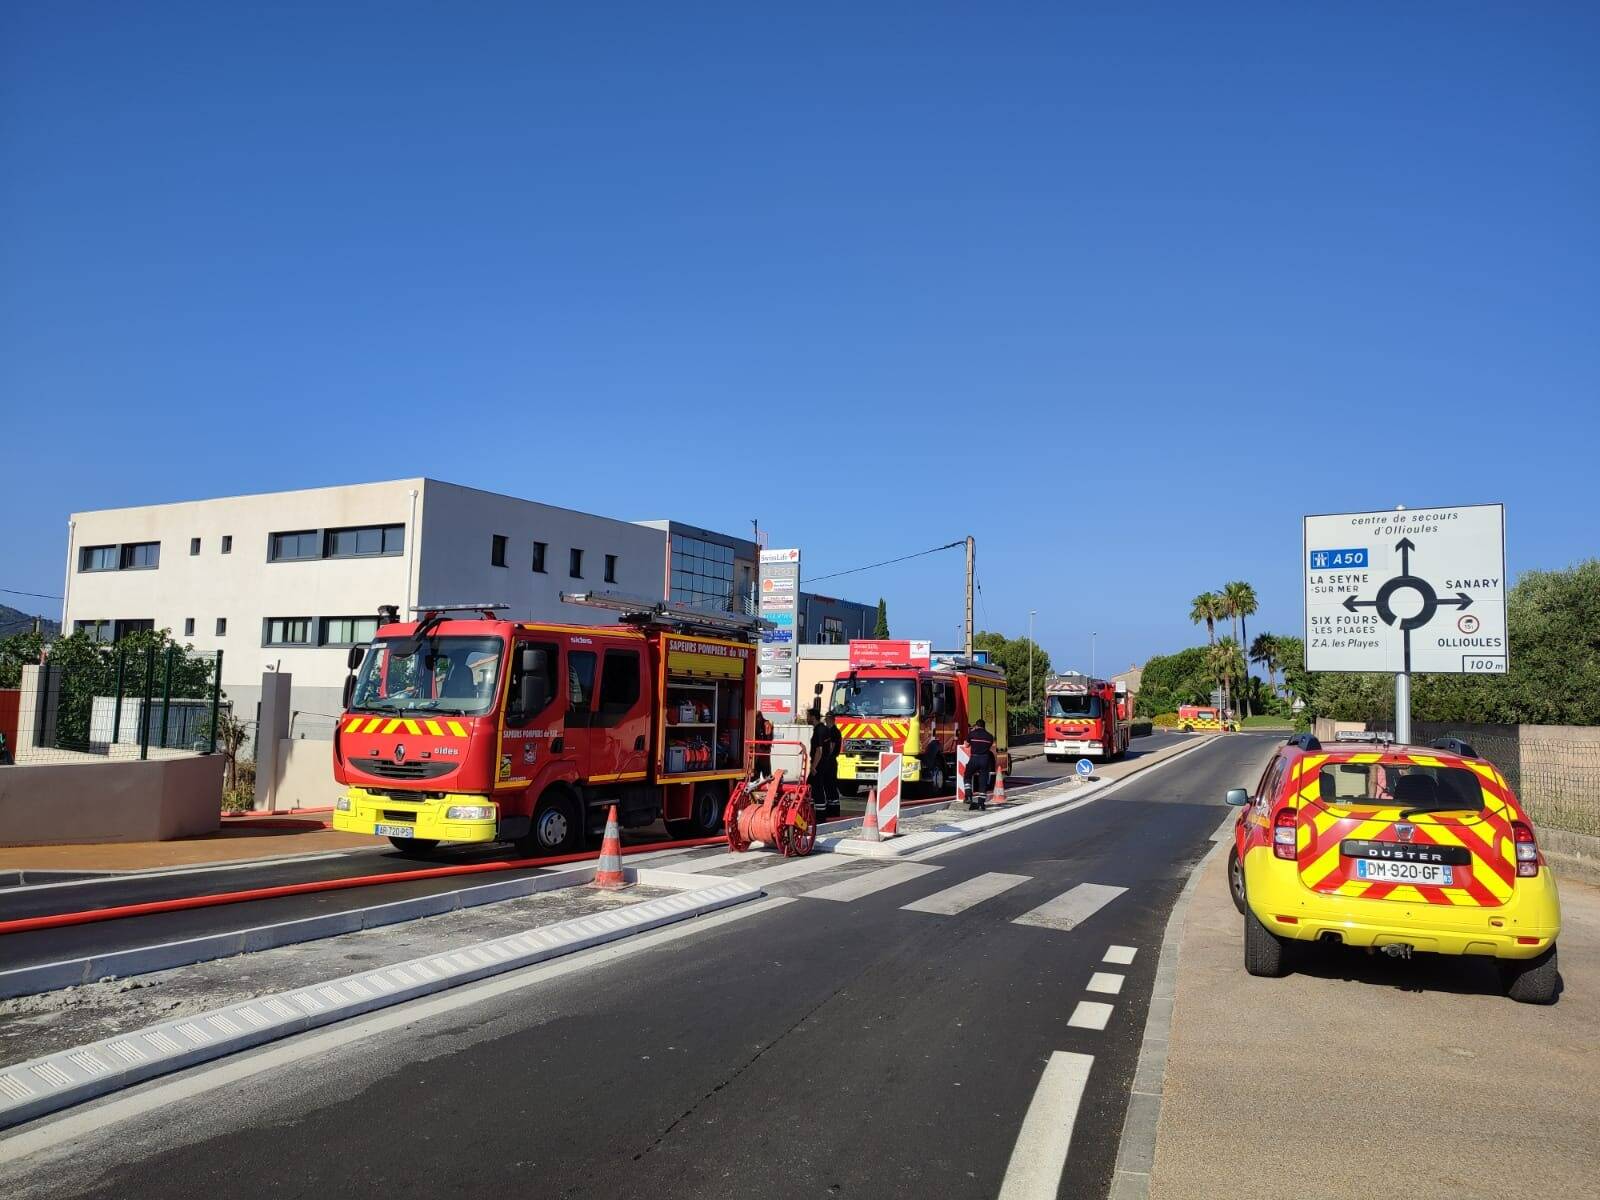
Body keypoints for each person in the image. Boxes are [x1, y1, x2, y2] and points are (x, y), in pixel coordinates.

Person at [810, 709, 841, 817]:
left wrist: (820, 762)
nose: (826, 720)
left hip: (830, 761)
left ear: (831, 719)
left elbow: (830, 748)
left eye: (827, 718)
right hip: (828, 761)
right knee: (828, 785)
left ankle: (831, 810)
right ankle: (832, 809)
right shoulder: (829, 730)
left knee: (829, 785)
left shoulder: (833, 731)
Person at [966, 717, 997, 809]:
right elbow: (990, 747)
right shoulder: (990, 736)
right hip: (984, 760)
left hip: (974, 758)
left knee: (967, 775)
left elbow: (966, 745)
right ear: (984, 726)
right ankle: (981, 804)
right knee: (983, 781)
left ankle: (968, 796)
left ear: (976, 726)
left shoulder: (972, 734)